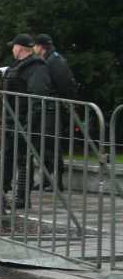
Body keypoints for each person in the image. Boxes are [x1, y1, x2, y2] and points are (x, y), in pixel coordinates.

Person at [2, 34, 55, 207]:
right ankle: (3, 191)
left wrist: (29, 124)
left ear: (19, 48)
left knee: (23, 159)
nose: (12, 49)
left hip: (25, 120)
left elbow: (37, 97)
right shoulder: (19, 65)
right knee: (9, 156)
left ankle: (22, 197)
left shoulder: (36, 67)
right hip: (13, 119)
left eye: (14, 46)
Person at [34, 33, 77, 189]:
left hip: (53, 108)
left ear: (41, 47)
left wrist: (66, 104)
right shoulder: (48, 59)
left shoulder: (55, 61)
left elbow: (65, 85)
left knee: (52, 144)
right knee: (43, 144)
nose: (33, 48)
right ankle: (46, 179)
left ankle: (57, 181)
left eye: (35, 45)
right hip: (46, 107)